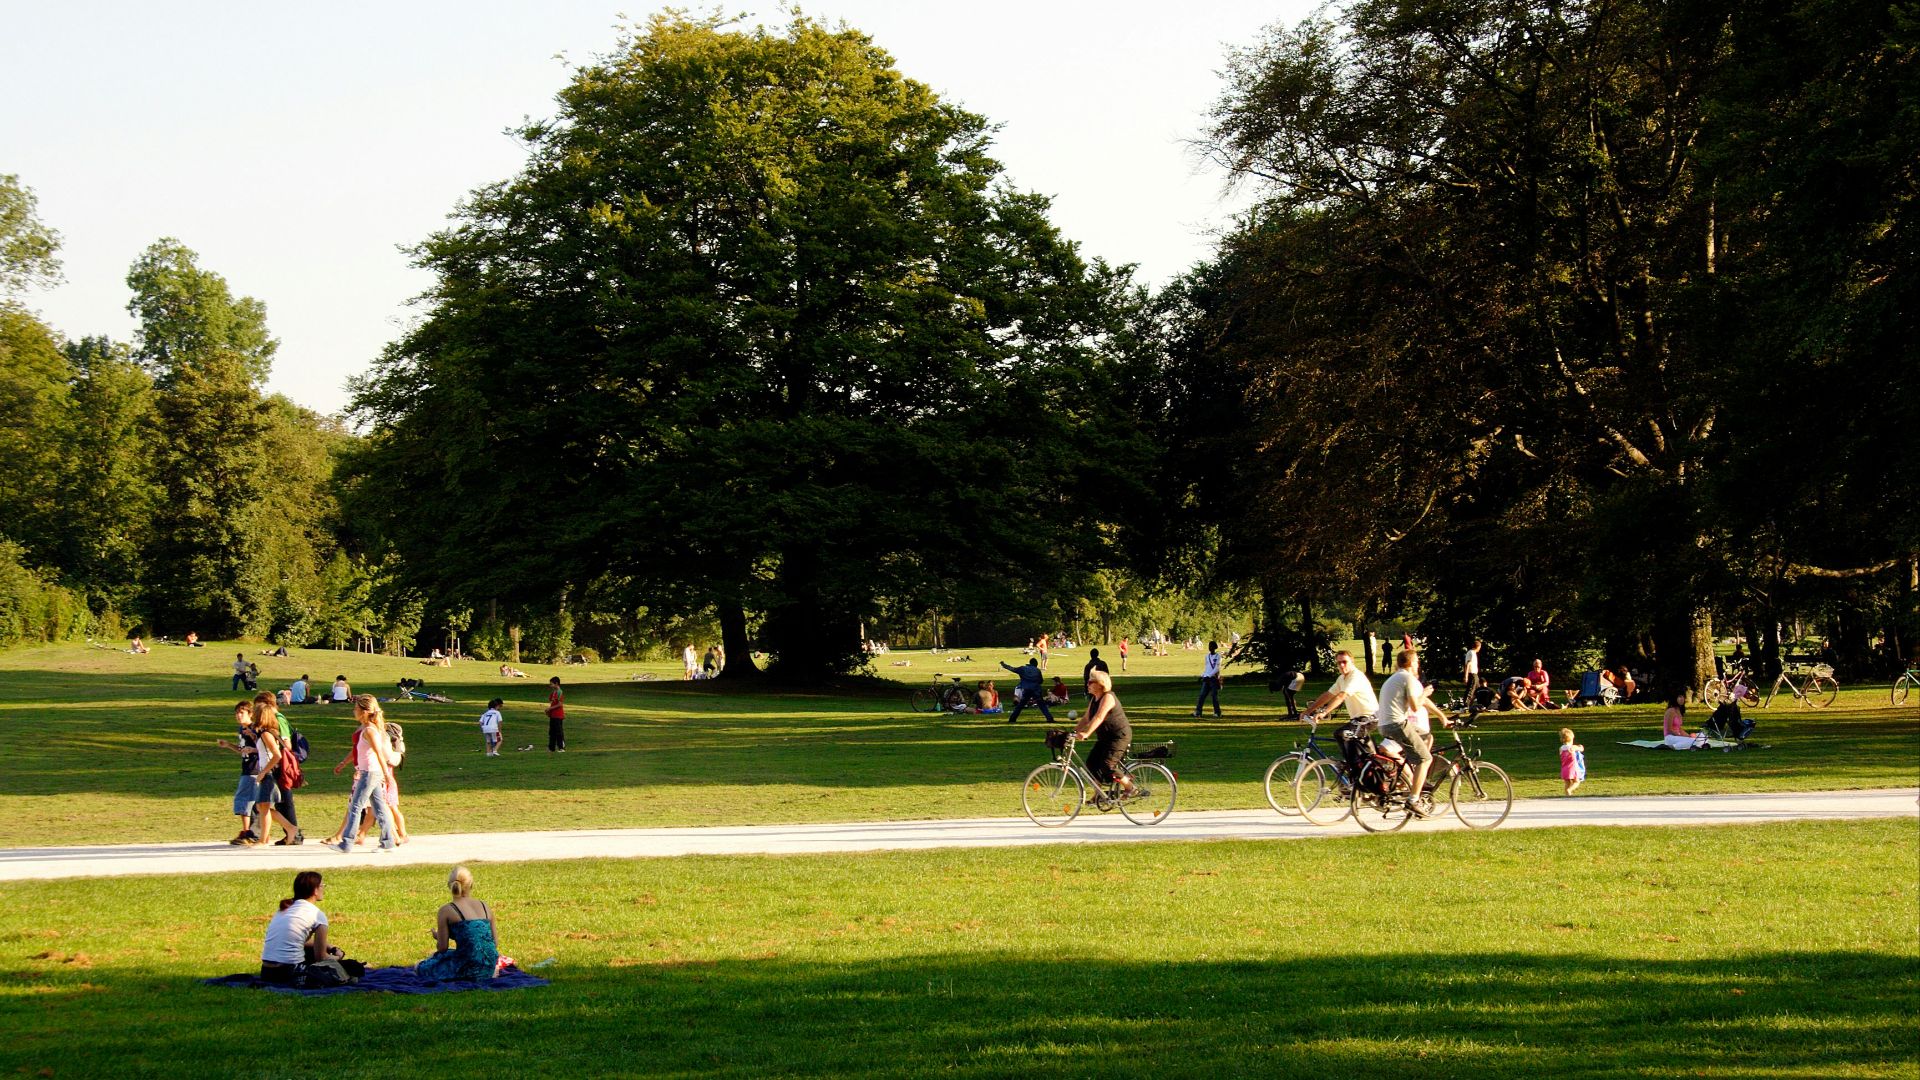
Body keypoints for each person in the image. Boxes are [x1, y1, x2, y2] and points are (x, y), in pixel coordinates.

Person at [1376, 649, 1447, 816]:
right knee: (1426, 758)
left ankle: (1410, 776)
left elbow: (1419, 701)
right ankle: (1413, 800)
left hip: (1386, 725)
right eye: (1417, 662)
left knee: (1427, 736)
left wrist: (1442, 716)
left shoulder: (1396, 678)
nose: (1418, 665)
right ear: (1412, 663)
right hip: (1397, 724)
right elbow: (1416, 705)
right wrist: (1426, 692)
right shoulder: (1408, 678)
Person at [330, 695, 399, 852]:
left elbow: (379, 753)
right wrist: (343, 763)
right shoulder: (366, 729)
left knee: (356, 806)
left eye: (356, 709)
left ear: (364, 711)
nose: (353, 711)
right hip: (368, 772)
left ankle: (346, 843)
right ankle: (388, 842)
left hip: (370, 773)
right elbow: (358, 751)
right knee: (379, 807)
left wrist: (387, 775)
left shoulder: (370, 730)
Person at [415, 866, 501, 982]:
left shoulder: (446, 910)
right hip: (489, 966)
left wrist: (438, 936)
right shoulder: (485, 906)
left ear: (449, 886)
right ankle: (487, 972)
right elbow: (493, 942)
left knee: (420, 966)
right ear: (471, 885)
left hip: (467, 967)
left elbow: (442, 948)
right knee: (459, 955)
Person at [259, 871, 341, 985]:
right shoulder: (317, 915)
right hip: (289, 972)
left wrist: (331, 947)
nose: (324, 889)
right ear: (315, 890)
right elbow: (321, 957)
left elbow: (299, 941)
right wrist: (338, 958)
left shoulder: (284, 909)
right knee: (339, 972)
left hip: (267, 972)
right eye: (322, 886)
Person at [1075, 668, 1136, 800]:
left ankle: (1130, 787)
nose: (1087, 684)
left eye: (1090, 682)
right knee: (1092, 763)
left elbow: (1099, 717)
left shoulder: (1108, 697)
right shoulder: (1094, 699)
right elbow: (1086, 718)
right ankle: (1099, 794)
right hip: (1105, 738)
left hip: (1118, 736)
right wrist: (1073, 733)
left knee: (1108, 765)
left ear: (1100, 684)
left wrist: (1086, 733)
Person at [249, 693, 301, 845]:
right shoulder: (265, 733)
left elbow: (277, 755)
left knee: (263, 806)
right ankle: (289, 828)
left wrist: (263, 772)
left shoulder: (266, 734)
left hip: (269, 773)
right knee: (261, 806)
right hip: (267, 772)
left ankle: (265, 838)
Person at [215, 701, 263, 844]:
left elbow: (265, 749)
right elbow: (243, 750)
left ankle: (248, 832)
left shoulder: (255, 729)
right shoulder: (241, 730)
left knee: (244, 800)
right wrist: (229, 745)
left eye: (242, 713)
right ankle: (251, 832)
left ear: (250, 714)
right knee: (250, 802)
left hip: (254, 769)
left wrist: (253, 744)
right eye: (237, 713)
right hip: (246, 767)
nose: (238, 715)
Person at [1304, 650, 1379, 722]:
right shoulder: (1341, 678)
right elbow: (1328, 695)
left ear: (1352, 662)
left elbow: (1341, 696)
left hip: (1369, 717)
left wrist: (1324, 712)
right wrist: (1308, 711)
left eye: (1344, 662)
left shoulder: (1356, 676)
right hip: (1357, 718)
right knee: (1344, 733)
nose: (1342, 665)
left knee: (1341, 734)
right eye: (1339, 663)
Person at [998, 656, 1053, 724]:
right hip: (1036, 690)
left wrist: (1004, 665)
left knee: (1020, 705)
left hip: (1027, 689)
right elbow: (1041, 681)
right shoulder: (1037, 670)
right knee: (1042, 705)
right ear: (1036, 664)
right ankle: (1049, 718)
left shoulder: (1023, 669)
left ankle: (1012, 719)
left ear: (1029, 663)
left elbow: (1012, 669)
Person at [1193, 640, 1224, 717]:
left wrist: (1209, 676)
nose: (1210, 647)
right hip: (1206, 678)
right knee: (1202, 695)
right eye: (1209, 646)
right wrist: (1203, 675)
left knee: (1214, 696)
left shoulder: (1218, 656)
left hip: (1213, 679)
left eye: (1211, 646)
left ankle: (1217, 712)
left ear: (1215, 647)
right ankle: (1198, 712)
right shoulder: (1207, 656)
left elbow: (1217, 668)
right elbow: (1207, 667)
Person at [1560, 727, 1586, 794]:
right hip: (1572, 768)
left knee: (1567, 783)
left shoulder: (1561, 748)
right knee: (1576, 781)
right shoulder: (1572, 747)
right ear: (1571, 739)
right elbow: (1581, 749)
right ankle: (1570, 790)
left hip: (1564, 768)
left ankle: (1567, 795)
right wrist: (1580, 746)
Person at [546, 676, 566, 752]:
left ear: (556, 683)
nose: (550, 686)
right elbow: (552, 703)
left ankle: (561, 747)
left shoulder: (559, 692)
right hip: (553, 715)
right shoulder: (553, 693)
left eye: (551, 684)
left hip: (558, 715)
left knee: (559, 732)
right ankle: (551, 748)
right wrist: (549, 711)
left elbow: (560, 704)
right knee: (552, 732)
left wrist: (550, 709)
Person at [1462, 639, 1482, 705]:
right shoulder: (1471, 653)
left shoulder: (1473, 653)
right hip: (1472, 674)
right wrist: (1466, 676)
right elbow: (1468, 664)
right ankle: (1466, 704)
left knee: (1478, 689)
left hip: (1475, 674)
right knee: (1471, 689)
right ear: (1478, 646)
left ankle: (1479, 702)